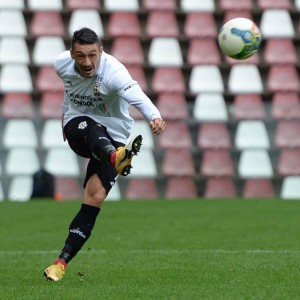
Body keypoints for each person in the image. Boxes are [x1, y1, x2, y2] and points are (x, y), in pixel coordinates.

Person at [43, 27, 166, 281]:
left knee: (95, 197)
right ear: (71, 54)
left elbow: (136, 94)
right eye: (80, 56)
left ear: (101, 51)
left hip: (115, 136)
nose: (87, 62)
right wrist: (65, 111)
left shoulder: (114, 72)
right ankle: (116, 158)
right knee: (91, 127)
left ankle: (60, 264)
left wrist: (154, 115)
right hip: (79, 127)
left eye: (92, 55)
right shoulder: (61, 64)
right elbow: (70, 87)